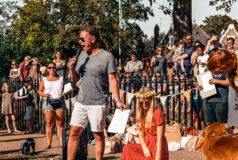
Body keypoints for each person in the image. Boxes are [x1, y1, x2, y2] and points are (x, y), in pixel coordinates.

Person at [67, 26, 125, 160]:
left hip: (98, 103)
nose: (80, 42)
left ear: (92, 39)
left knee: (98, 135)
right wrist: (71, 68)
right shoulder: (81, 55)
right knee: (74, 133)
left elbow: (112, 80)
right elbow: (75, 80)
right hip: (81, 101)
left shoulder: (107, 56)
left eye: (82, 39)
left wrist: (117, 100)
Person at [121, 87, 169, 160]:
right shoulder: (141, 113)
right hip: (147, 144)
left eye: (146, 102)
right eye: (141, 103)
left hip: (158, 147)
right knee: (127, 148)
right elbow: (141, 134)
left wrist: (158, 157)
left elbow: (160, 138)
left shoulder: (157, 112)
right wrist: (144, 147)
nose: (143, 105)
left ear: (151, 100)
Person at [38, 62, 66, 148]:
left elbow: (65, 88)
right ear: (47, 69)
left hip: (60, 102)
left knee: (59, 123)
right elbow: (39, 91)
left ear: (56, 69)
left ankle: (61, 143)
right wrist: (45, 95)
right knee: (49, 123)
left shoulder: (61, 79)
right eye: (50, 68)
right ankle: (49, 143)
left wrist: (65, 92)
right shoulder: (44, 79)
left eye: (54, 68)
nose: (52, 69)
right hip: (48, 102)